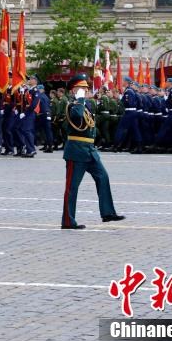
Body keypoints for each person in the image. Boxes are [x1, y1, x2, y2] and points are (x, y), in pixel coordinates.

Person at [60, 74, 125, 229]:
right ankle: (68, 221)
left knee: (103, 177)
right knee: (72, 187)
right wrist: (80, 99)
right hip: (76, 151)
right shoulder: (71, 105)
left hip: (89, 150)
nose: (85, 91)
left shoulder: (85, 106)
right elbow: (76, 117)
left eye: (85, 88)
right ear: (73, 90)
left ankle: (107, 212)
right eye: (81, 88)